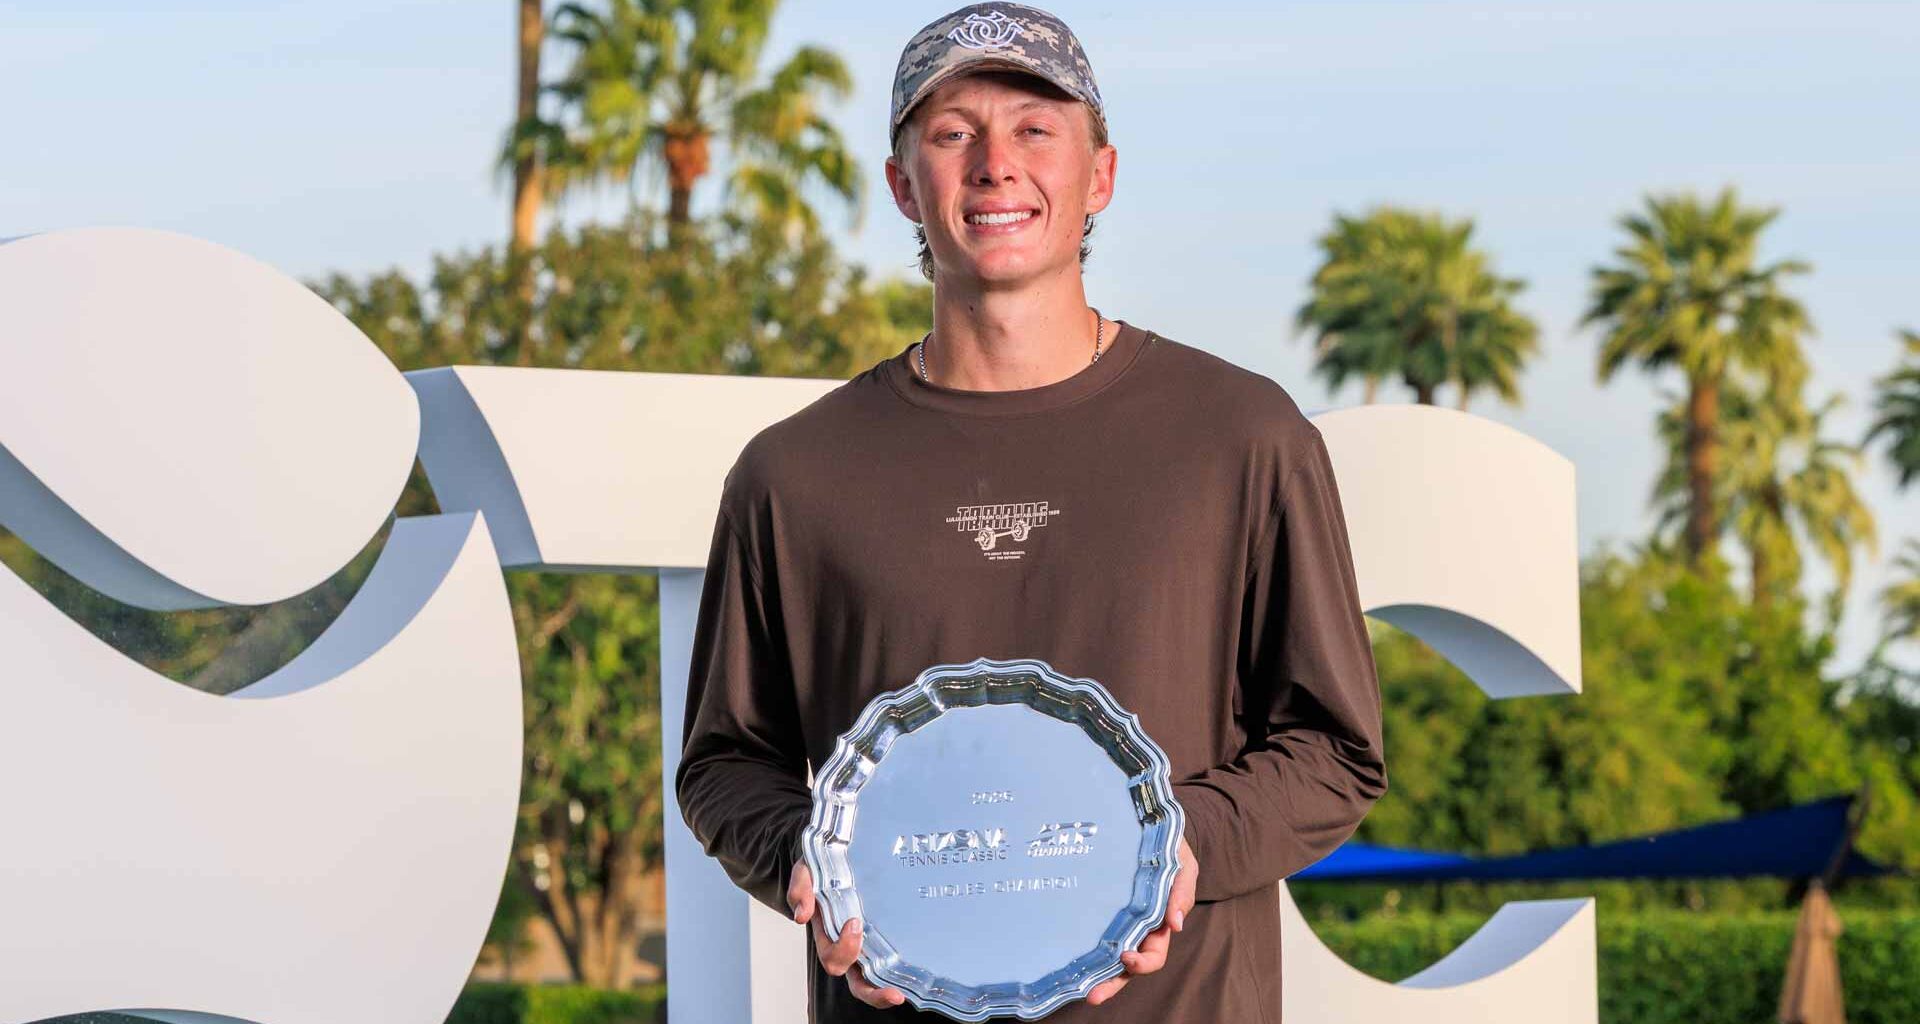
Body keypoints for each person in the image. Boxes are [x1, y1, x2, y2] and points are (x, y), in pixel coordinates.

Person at [675, 3, 1388, 1020]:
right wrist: (813, 857)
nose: (994, 163)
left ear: (1098, 173)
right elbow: (724, 763)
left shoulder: (1241, 437)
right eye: (953, 131)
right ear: (902, 185)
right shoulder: (792, 475)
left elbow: (1335, 746)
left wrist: (1170, 841)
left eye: (1035, 129)